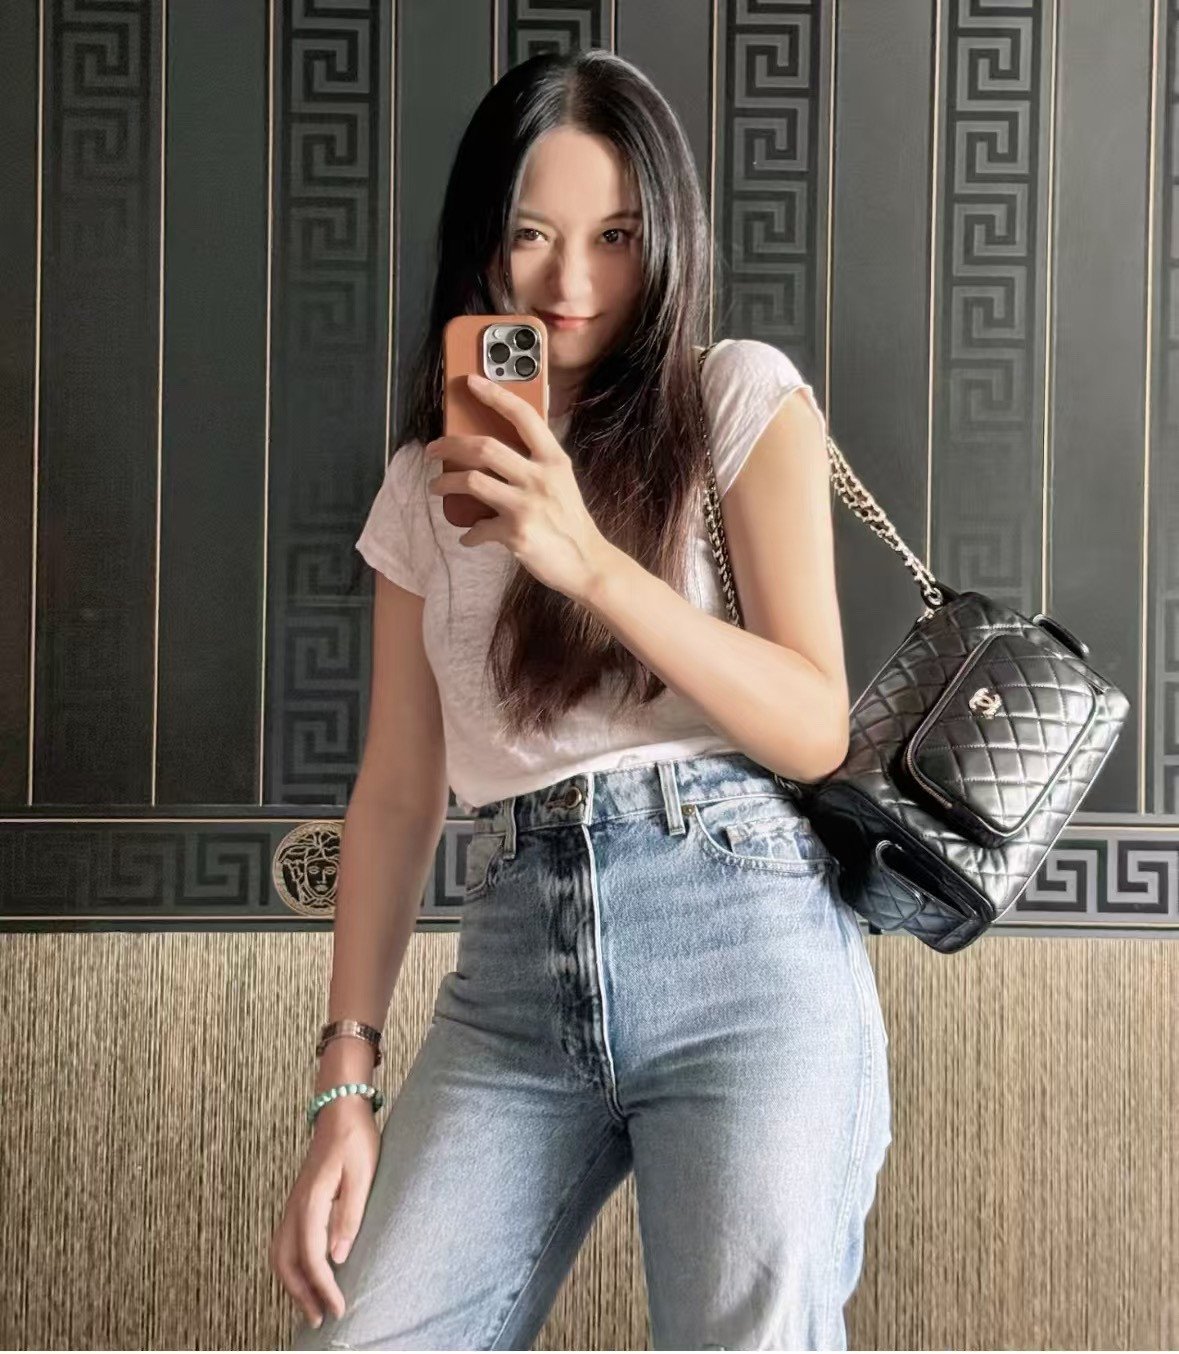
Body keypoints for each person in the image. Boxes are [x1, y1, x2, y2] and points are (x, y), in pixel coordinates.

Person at [270, 47, 891, 1353]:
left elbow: (813, 722)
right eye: (532, 236)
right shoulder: (425, 489)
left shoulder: (733, 397)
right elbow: (397, 792)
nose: (572, 285)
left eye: (615, 236)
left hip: (742, 948)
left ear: (666, 237)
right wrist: (344, 1081)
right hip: (512, 977)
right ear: (482, 248)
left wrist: (590, 562)